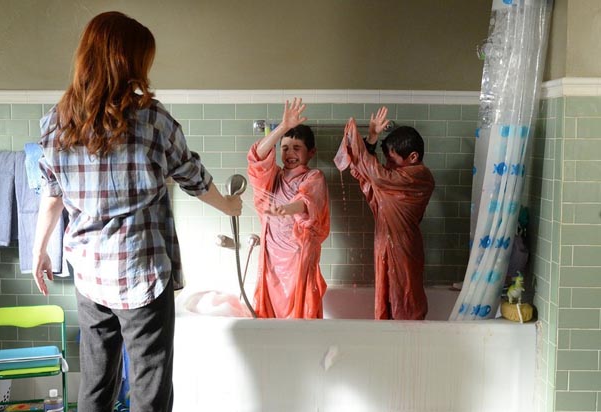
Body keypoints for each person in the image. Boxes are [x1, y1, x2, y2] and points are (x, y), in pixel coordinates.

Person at [31, 11, 242, 412]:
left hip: (90, 274)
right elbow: (193, 177)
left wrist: (39, 250)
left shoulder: (57, 122)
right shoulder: (153, 119)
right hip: (140, 273)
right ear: (128, 61)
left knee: (96, 385)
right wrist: (229, 204)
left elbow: (52, 192)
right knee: (149, 389)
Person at [334, 107, 435, 320]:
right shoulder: (393, 177)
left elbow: (377, 176)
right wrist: (371, 137)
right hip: (384, 243)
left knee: (406, 298)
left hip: (404, 245)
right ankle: (389, 336)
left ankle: (410, 337)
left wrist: (364, 142)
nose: (387, 165)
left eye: (391, 160)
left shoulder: (420, 176)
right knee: (387, 297)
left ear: (413, 157)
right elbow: (368, 173)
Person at [247, 98, 330, 318]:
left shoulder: (314, 177)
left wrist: (287, 209)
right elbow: (256, 158)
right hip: (271, 258)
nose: (290, 153)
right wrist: (282, 128)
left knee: (300, 310)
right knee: (272, 312)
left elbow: (307, 202)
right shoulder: (272, 177)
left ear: (311, 152)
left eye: (296, 148)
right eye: (285, 148)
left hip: (298, 257)